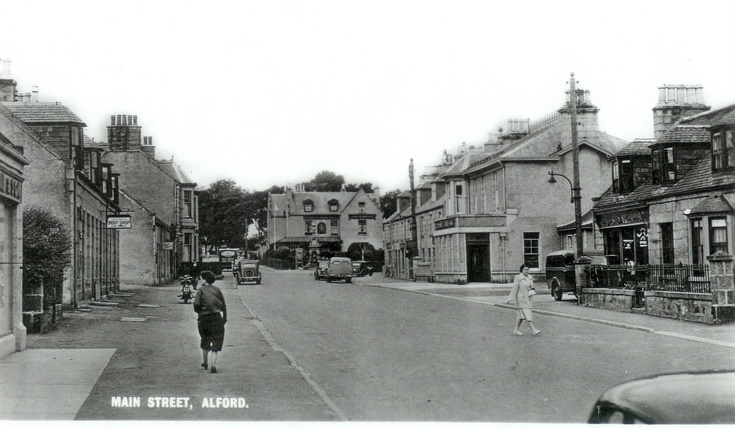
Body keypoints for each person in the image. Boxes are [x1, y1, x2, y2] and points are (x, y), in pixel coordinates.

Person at [193, 270, 227, 373]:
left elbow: (196, 305)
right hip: (216, 318)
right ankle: (213, 365)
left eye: (201, 278)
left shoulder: (201, 290)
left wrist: (200, 312)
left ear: (204, 280)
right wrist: (224, 318)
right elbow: (223, 305)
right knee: (216, 341)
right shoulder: (217, 290)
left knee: (205, 339)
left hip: (204, 319)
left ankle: (205, 362)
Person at [507, 264, 542, 336]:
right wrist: (510, 298)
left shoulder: (530, 277)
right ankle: (534, 330)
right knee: (527, 313)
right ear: (521, 270)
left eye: (528, 269)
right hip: (521, 298)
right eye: (525, 269)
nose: (527, 271)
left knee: (520, 316)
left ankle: (516, 330)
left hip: (528, 298)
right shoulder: (518, 277)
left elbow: (532, 286)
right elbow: (514, 288)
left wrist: (532, 289)